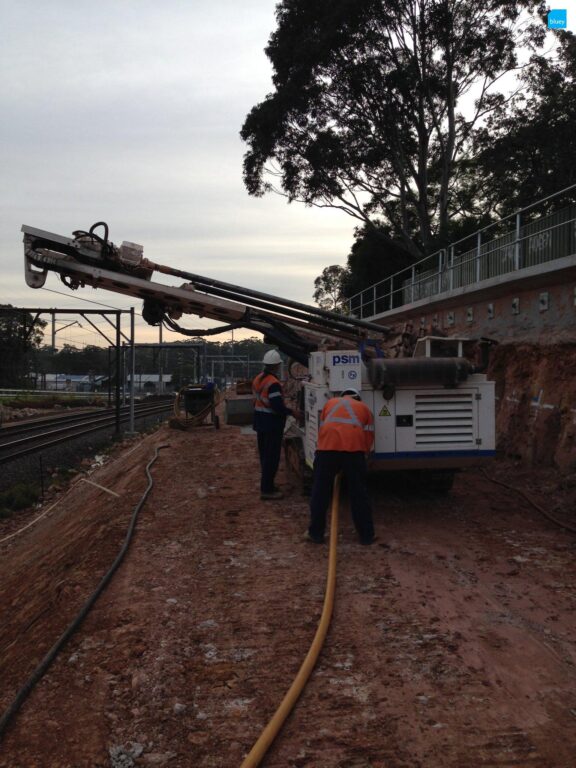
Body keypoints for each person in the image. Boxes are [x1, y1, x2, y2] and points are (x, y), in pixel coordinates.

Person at [307, 388, 376, 544]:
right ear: (357, 398)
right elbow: (368, 436)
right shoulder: (364, 409)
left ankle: (315, 533)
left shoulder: (329, 403)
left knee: (320, 492)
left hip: (327, 450)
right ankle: (366, 536)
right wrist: (363, 455)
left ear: (342, 395)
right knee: (359, 494)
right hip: (353, 451)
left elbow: (323, 429)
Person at [252, 349, 296, 500]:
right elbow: (277, 406)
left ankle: (268, 485)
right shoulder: (273, 383)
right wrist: (292, 412)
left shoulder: (259, 378)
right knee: (271, 458)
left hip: (260, 422)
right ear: (276, 365)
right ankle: (267, 490)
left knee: (265, 456)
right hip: (271, 424)